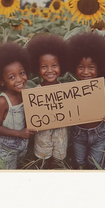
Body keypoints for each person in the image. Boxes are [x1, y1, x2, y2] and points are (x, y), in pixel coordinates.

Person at [0, 42, 35, 169]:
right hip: (5, 147)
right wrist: (20, 133)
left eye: (22, 73)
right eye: (12, 77)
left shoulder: (24, 94)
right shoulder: (3, 101)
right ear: (1, 81)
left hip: (22, 142)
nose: (19, 79)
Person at [66, 32, 105, 169]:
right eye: (81, 67)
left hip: (98, 134)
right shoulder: (72, 90)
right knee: (79, 161)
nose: (86, 72)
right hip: (78, 133)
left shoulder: (101, 89)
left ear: (100, 68)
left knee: (96, 163)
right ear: (74, 66)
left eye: (91, 67)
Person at [26, 33, 69, 169]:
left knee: (58, 162)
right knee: (43, 162)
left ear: (61, 66)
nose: (50, 70)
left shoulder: (67, 90)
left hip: (61, 135)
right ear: (37, 69)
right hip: (42, 136)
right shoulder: (35, 93)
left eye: (54, 65)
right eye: (44, 66)